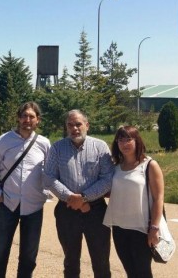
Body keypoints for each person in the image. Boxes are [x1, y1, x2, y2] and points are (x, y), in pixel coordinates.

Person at [44, 109, 114, 278]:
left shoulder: (100, 147)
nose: (74, 128)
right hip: (66, 211)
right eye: (70, 125)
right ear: (66, 127)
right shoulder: (57, 148)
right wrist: (70, 197)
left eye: (78, 124)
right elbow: (49, 177)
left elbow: (108, 178)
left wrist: (83, 198)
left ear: (87, 125)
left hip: (96, 211)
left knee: (101, 261)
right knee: (70, 261)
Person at [0, 101, 51, 278]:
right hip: (7, 204)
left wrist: (44, 194)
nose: (27, 120)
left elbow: (50, 173)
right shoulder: (3, 141)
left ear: (38, 120)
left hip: (33, 207)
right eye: (24, 116)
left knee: (29, 257)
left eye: (31, 117)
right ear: (18, 118)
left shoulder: (44, 144)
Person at [103, 126, 165, 278]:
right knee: (130, 271)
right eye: (120, 140)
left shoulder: (149, 165)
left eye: (128, 139)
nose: (124, 143)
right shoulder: (115, 167)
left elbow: (158, 198)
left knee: (143, 272)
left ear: (137, 141)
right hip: (119, 227)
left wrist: (154, 228)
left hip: (141, 228)